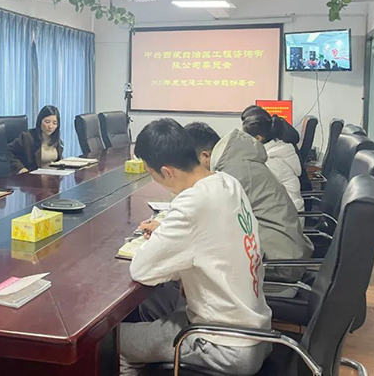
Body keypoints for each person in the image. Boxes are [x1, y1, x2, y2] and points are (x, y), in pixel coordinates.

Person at [120, 119, 271, 376]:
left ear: (167, 172)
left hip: (223, 345)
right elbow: (212, 239)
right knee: (152, 305)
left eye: (151, 173)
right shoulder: (227, 182)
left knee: (113, 342)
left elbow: (142, 270)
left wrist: (167, 238)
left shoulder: (192, 203)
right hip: (256, 331)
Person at [184, 122, 313, 283]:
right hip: (282, 252)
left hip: (279, 265)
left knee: (192, 270)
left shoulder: (232, 172)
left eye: (191, 166)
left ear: (205, 156)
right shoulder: (237, 160)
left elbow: (211, 223)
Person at [243, 113, 305, 212]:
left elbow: (257, 190)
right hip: (284, 210)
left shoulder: (271, 161)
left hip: (287, 216)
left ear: (258, 138)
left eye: (245, 137)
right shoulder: (278, 149)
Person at [9, 105, 63, 173]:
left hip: (52, 176)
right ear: (40, 121)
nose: (51, 126)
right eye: (47, 122)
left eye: (55, 123)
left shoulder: (56, 139)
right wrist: (20, 168)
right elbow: (8, 151)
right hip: (33, 177)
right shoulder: (28, 137)